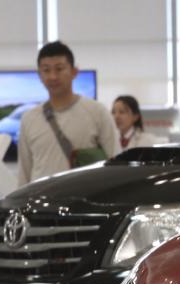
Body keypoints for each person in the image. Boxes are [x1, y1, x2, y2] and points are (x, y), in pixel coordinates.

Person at [17, 41, 117, 186]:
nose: (52, 76)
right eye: (46, 70)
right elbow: (24, 172)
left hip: (84, 202)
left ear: (74, 72)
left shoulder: (97, 112)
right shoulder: (29, 118)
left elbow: (115, 161)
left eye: (59, 69)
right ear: (39, 74)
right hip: (41, 203)